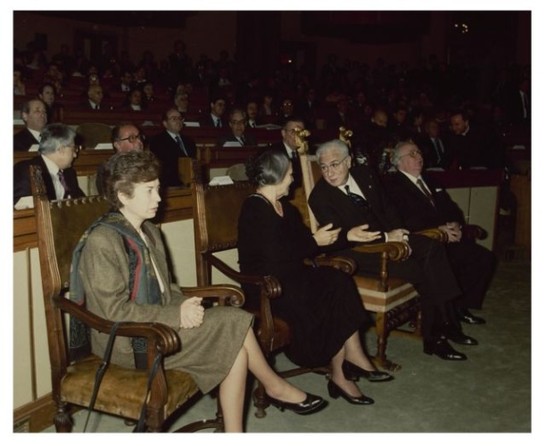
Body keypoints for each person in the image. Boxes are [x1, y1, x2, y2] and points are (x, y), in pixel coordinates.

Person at [70, 150, 326, 432]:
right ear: (123, 195)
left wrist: (185, 303)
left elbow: (165, 288)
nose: (159, 197)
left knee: (236, 351)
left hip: (157, 326)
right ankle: (275, 386)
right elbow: (111, 312)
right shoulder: (103, 240)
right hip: (129, 343)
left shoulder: (149, 231)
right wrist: (176, 314)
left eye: (158, 188)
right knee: (232, 319)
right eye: (150, 191)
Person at [238, 150, 394, 407]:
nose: (293, 179)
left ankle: (348, 362)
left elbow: (311, 243)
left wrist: (348, 236)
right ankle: (341, 372)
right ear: (275, 176)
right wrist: (313, 241)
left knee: (338, 280)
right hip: (266, 285)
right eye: (289, 174)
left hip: (291, 276)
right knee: (322, 294)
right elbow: (276, 256)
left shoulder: (285, 208)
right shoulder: (254, 208)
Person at [308, 139, 477, 361]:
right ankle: (439, 332)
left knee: (432, 248)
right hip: (357, 251)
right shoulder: (320, 197)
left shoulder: (365, 174)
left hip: (389, 240)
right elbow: (345, 237)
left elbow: (387, 207)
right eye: (324, 167)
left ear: (349, 161)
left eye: (335, 164)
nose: (329, 172)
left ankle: (445, 325)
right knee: (424, 270)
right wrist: (388, 238)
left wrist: (401, 233)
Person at [387, 141, 497, 324]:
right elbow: (404, 220)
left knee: (485, 259)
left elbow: (451, 208)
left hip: (446, 237)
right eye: (412, 154)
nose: (419, 156)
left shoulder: (430, 180)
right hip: (423, 243)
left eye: (419, 152)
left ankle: (461, 307)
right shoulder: (393, 186)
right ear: (399, 162)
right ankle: (445, 317)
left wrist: (456, 224)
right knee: (451, 263)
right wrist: (437, 230)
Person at [14, 123, 85, 205]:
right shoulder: (26, 171)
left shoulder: (69, 173)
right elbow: (21, 211)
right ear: (61, 149)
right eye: (74, 148)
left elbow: (82, 203)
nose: (75, 155)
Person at [149, 108, 197, 187]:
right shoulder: (157, 141)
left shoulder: (189, 141)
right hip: (170, 185)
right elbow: (162, 167)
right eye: (174, 119)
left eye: (180, 118)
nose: (178, 121)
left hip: (190, 183)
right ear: (165, 123)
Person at [95, 123, 144, 194]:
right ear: (118, 145)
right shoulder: (108, 168)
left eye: (139, 137)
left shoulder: (148, 162)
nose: (139, 142)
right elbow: (109, 199)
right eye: (132, 138)